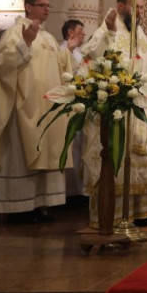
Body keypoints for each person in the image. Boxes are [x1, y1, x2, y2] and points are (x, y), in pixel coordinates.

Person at [80, 0, 147, 228]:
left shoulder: (140, 34)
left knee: (141, 157)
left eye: (142, 8)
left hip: (141, 107)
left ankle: (139, 212)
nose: (139, 12)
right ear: (120, 6)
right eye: (135, 7)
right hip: (117, 107)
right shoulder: (107, 29)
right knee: (118, 157)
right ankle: (112, 214)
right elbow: (91, 55)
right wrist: (109, 31)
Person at [0, 0, 73, 222]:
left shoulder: (49, 38)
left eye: (48, 5)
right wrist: (26, 42)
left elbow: (60, 68)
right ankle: (18, 208)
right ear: (28, 7)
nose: (46, 9)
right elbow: (3, 64)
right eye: (42, 5)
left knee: (47, 153)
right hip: (24, 106)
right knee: (21, 155)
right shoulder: (15, 32)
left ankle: (42, 204)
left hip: (48, 106)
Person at [59, 18, 87, 204]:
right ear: (70, 32)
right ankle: (67, 192)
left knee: (79, 148)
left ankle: (78, 190)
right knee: (69, 146)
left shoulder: (80, 53)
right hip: (67, 105)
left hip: (82, 106)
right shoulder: (61, 51)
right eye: (80, 31)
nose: (84, 34)